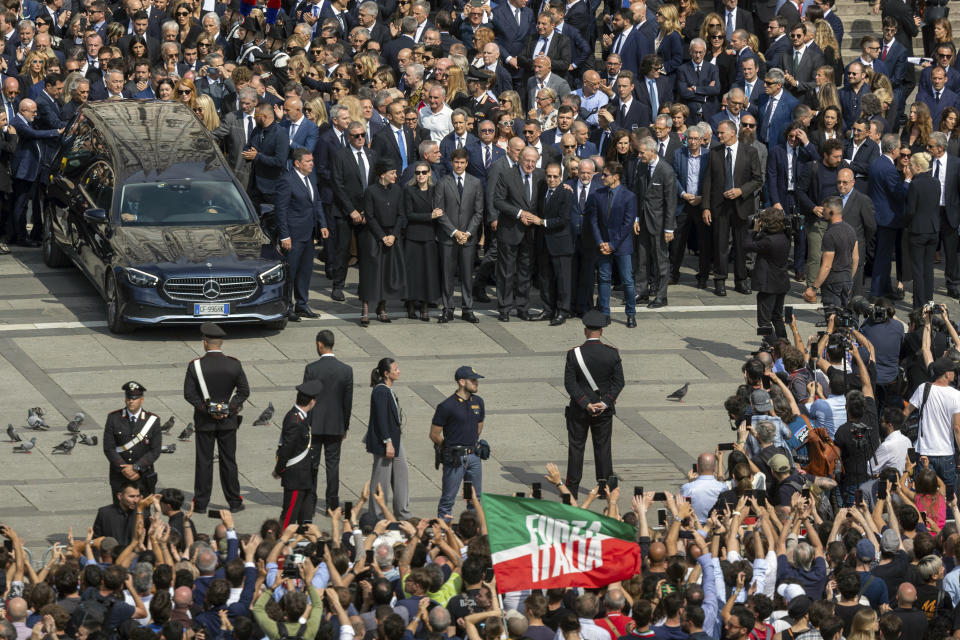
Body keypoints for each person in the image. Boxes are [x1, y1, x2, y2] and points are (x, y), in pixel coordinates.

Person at [183, 322, 250, 513]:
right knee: (229, 461)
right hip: (228, 421)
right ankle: (234, 501)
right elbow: (244, 391)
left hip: (205, 421)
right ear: (221, 343)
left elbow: (189, 394)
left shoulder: (195, 366)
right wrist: (229, 408)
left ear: (205, 342)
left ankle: (201, 503)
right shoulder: (233, 364)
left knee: (204, 462)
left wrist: (207, 409)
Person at [562, 310, 625, 498]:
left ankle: (572, 489)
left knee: (576, 448)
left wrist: (585, 403)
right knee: (603, 448)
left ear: (585, 331)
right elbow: (619, 382)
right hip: (603, 411)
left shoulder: (574, 354)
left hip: (579, 411)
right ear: (602, 332)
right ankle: (605, 488)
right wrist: (604, 403)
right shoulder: (612, 354)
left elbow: (570, 383)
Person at [701, 119, 763, 297]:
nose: (718, 135)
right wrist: (706, 207)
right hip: (719, 206)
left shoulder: (750, 152)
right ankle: (720, 280)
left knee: (741, 245)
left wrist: (741, 191)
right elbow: (708, 182)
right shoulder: (715, 152)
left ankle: (741, 280)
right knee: (720, 244)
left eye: (722, 133)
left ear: (732, 133)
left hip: (741, 205)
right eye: (718, 133)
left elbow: (757, 179)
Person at [274, 148, 328, 322]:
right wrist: (284, 236)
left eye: (312, 160)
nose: (312, 163)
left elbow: (317, 202)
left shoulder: (311, 177)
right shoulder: (287, 181)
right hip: (294, 235)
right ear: (297, 163)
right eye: (308, 161)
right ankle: (288, 307)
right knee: (292, 272)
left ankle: (302, 305)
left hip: (309, 233)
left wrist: (322, 224)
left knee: (305, 271)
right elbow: (280, 211)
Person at [302, 330, 354, 513]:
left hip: (314, 425)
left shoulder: (311, 369)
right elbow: (348, 402)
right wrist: (345, 426)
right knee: (333, 465)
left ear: (319, 344)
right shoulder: (346, 370)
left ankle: (310, 500)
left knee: (312, 465)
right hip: (335, 425)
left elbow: (304, 399)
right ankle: (332, 503)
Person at [493, 145, 544, 322]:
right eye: (527, 160)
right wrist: (520, 214)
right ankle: (505, 308)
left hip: (531, 234)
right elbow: (498, 201)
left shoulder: (540, 176)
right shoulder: (507, 175)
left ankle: (522, 307)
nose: (530, 164)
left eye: (533, 161)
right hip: (510, 230)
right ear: (519, 159)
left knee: (525, 272)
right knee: (506, 272)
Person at [431, 366, 486, 522]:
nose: (476, 383)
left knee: (474, 499)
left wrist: (471, 442)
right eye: (473, 380)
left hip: (474, 458)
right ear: (461, 382)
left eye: (477, 380)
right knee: (448, 499)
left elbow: (479, 424)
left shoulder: (478, 402)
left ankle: (473, 533)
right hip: (455, 459)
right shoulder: (447, 406)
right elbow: (434, 434)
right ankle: (443, 531)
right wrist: (448, 448)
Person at [435, 147, 483, 324]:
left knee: (467, 274)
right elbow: (439, 211)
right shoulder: (443, 182)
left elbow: (479, 212)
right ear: (452, 163)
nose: (459, 165)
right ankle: (448, 308)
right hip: (448, 237)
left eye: (462, 162)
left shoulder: (475, 182)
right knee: (447, 275)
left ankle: (467, 309)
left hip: (468, 237)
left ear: (467, 163)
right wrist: (455, 232)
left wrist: (468, 233)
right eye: (456, 162)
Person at [589, 160, 638, 327]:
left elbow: (627, 224)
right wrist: (601, 242)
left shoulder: (629, 196)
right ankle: (604, 312)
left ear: (616, 177)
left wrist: (613, 244)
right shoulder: (598, 194)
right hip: (603, 244)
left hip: (622, 245)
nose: (602, 177)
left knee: (627, 280)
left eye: (605, 175)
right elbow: (593, 220)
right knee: (603, 279)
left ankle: (631, 313)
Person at [359, 159, 408, 325]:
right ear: (382, 174)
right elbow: (370, 216)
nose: (396, 176)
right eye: (392, 173)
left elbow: (401, 215)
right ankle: (365, 309)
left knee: (387, 273)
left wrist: (393, 235)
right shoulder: (371, 191)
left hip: (392, 236)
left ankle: (382, 307)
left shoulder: (397, 190)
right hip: (374, 236)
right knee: (371, 274)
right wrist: (382, 236)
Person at [905, 356, 960, 501]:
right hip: (946, 453)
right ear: (947, 374)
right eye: (953, 371)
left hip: (924, 452)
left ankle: (926, 522)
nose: (955, 374)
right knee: (949, 497)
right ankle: (947, 520)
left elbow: (907, 412)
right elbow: (957, 428)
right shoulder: (956, 395)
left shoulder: (923, 388)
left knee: (924, 495)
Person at [633, 136, 677, 309]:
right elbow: (639, 194)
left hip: (659, 224)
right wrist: (636, 218)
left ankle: (661, 295)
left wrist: (669, 228)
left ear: (652, 151)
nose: (639, 156)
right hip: (643, 220)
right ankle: (642, 291)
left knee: (661, 261)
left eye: (642, 153)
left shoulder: (666, 170)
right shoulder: (642, 167)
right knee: (642, 258)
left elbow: (671, 202)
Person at [365, 357, 411, 519]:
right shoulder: (380, 391)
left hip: (396, 440)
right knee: (381, 479)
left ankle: (403, 513)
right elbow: (381, 418)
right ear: (386, 373)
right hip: (385, 442)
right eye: (395, 369)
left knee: (401, 475)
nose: (398, 371)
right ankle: (377, 515)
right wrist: (388, 442)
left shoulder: (388, 390)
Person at [274, 380, 323, 527]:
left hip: (304, 476)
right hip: (296, 477)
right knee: (289, 516)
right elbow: (287, 449)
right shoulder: (295, 420)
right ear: (312, 401)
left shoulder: (299, 416)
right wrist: (279, 469)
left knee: (305, 518)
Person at [102, 380, 162, 500]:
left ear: (142, 400)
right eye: (129, 398)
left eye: (134, 398)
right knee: (119, 513)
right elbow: (109, 448)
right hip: (120, 475)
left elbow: (155, 450)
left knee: (142, 513)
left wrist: (136, 467)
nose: (131, 401)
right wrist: (123, 468)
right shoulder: (114, 418)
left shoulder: (152, 420)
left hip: (143, 474)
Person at [742, 207, 791, 339]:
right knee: (777, 317)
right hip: (781, 283)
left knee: (764, 323)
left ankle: (773, 347)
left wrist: (754, 231)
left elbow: (746, 245)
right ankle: (784, 347)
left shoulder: (769, 241)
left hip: (768, 286)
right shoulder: (785, 236)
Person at [802, 197, 858, 310]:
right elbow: (855, 258)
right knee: (843, 318)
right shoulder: (851, 230)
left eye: (825, 209)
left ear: (831, 212)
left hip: (833, 283)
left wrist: (813, 288)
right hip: (846, 280)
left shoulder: (830, 234)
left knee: (832, 318)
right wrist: (849, 280)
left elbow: (827, 266)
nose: (823, 212)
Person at [402, 160, 441, 321]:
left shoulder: (434, 190)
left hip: (429, 236)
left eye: (424, 172)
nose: (420, 176)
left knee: (427, 273)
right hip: (413, 236)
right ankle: (411, 305)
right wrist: (429, 216)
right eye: (418, 173)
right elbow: (409, 214)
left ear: (429, 173)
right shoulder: (409, 190)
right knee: (413, 273)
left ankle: (425, 306)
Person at [905, 151, 941, 308]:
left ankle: (919, 304)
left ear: (918, 167)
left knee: (918, 269)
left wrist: (906, 223)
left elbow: (911, 210)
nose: (909, 167)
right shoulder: (936, 182)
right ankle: (929, 300)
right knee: (928, 268)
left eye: (911, 165)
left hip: (918, 231)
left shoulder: (915, 184)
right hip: (933, 230)